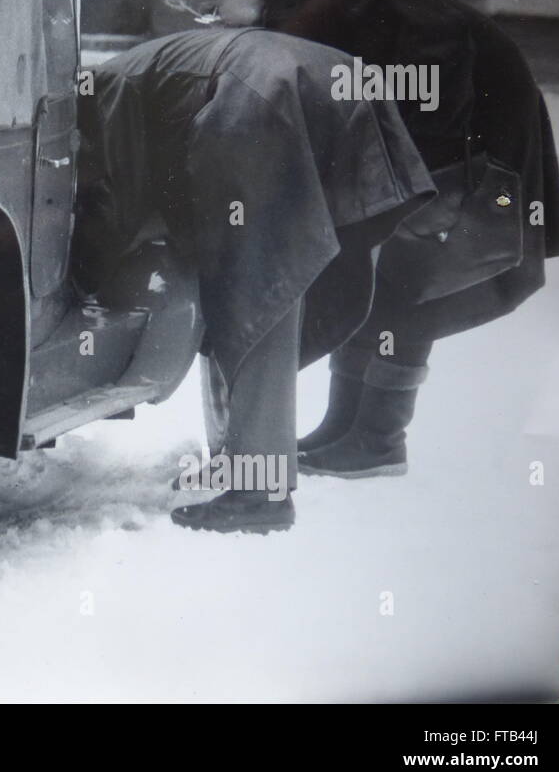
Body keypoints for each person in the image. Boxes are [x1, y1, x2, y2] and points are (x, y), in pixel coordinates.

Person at [159, 0, 559, 478]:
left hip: (475, 127)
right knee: (369, 266)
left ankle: (379, 440)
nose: (210, 25)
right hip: (413, 135)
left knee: (415, 274)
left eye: (209, 9)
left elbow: (444, 61)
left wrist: (423, 172)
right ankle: (343, 426)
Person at [74, 28, 434, 533]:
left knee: (254, 291)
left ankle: (260, 494)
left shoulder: (97, 93)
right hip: (342, 81)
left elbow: (123, 203)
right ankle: (245, 455)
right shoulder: (128, 71)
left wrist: (81, 277)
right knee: (273, 274)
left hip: (264, 96)